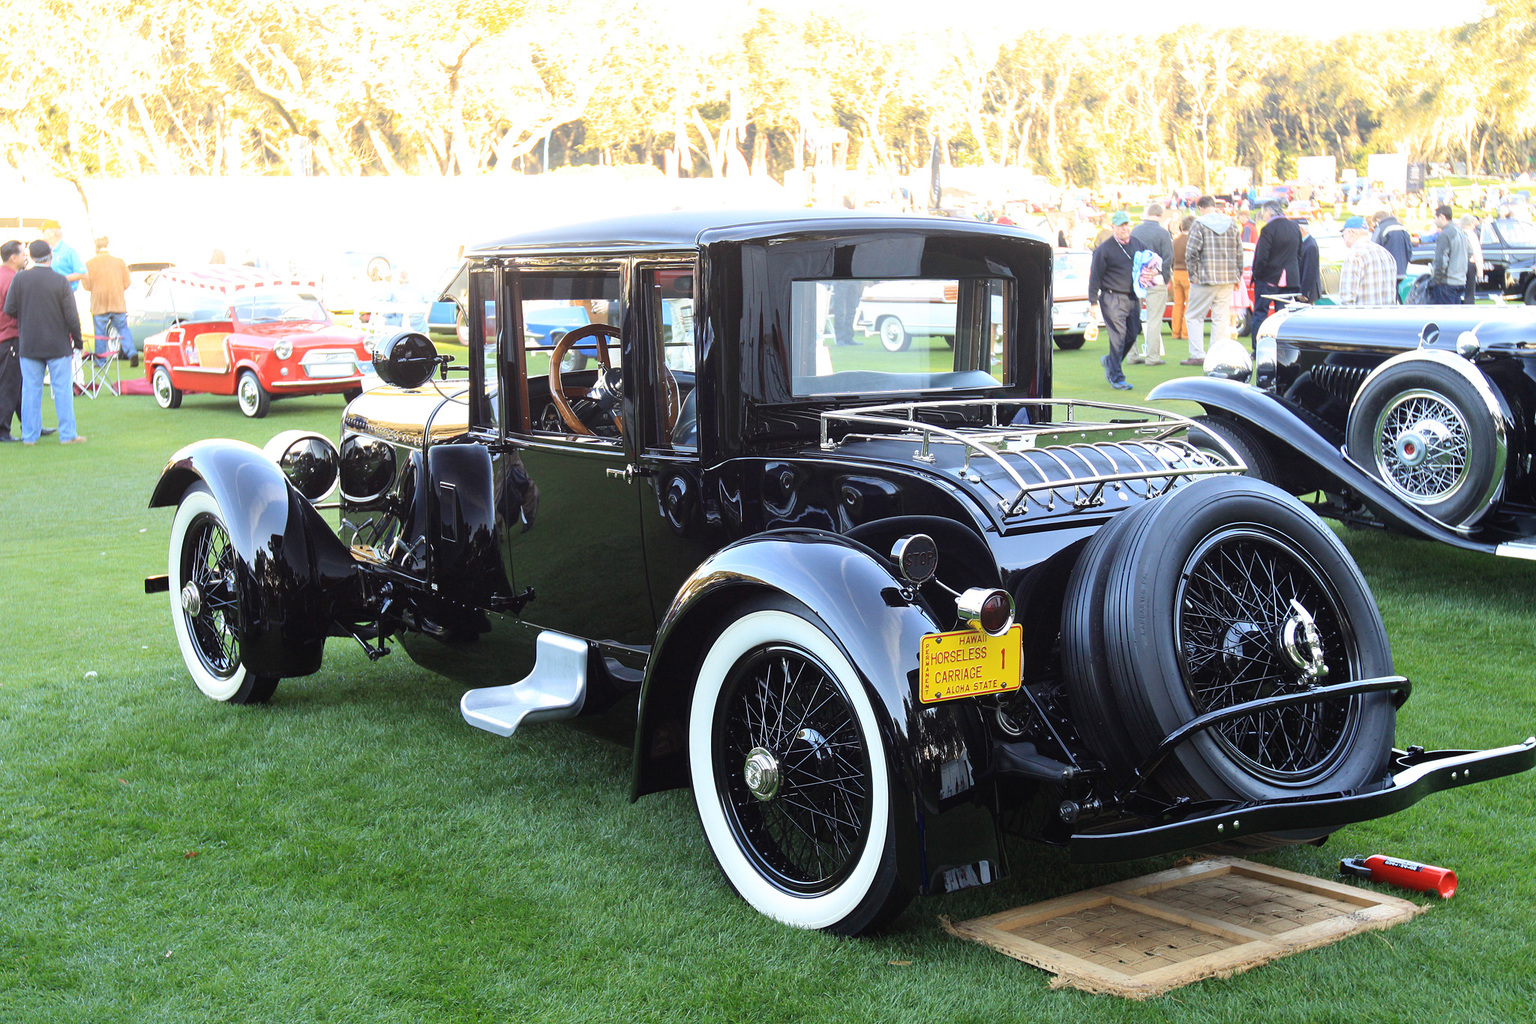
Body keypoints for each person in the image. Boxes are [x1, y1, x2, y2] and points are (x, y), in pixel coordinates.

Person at [3, 240, 85, 445]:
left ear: (30, 256)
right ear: (50, 255)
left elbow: (10, 308)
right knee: (62, 390)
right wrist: (78, 341)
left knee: (30, 391)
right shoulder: (60, 281)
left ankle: (30, 436)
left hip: (29, 344)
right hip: (57, 344)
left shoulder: (20, 279)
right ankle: (68, 434)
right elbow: (72, 316)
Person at [1086, 211, 1146, 391]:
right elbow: (1094, 277)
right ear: (1113, 227)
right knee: (1118, 337)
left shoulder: (1137, 244)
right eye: (1121, 226)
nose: (1125, 229)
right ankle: (1116, 377)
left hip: (1133, 297)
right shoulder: (1104, 249)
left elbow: (1151, 260)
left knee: (1133, 333)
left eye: (1127, 225)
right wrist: (1093, 302)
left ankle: (1111, 362)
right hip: (1112, 298)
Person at [1182, 195, 1244, 365]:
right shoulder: (1231, 223)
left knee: (1194, 316)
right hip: (1228, 277)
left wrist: (1193, 274)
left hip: (1205, 277)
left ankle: (1197, 354)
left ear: (1201, 208)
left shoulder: (1199, 223)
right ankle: (1215, 355)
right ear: (1214, 206)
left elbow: (1191, 252)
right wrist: (1238, 274)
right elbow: (1239, 251)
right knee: (1220, 318)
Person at [1127, 203, 1172, 366]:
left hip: (1136, 278)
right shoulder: (1163, 233)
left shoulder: (1135, 231)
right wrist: (1164, 277)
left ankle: (1131, 355)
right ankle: (1152, 357)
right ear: (1160, 215)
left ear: (1147, 213)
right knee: (1154, 319)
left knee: (1132, 317)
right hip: (1156, 279)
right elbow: (1168, 258)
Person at [83, 236, 138, 367]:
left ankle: (101, 360)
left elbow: (86, 285)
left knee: (100, 333)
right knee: (123, 329)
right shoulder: (119, 262)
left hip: (99, 303)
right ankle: (132, 352)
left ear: (96, 248)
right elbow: (127, 282)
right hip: (117, 302)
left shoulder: (90, 263)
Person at [1250, 201, 1301, 338]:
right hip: (1290, 279)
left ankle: (1257, 348)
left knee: (1260, 314)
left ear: (1267, 212)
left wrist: (1257, 275)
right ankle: (1284, 349)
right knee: (1284, 317)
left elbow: (1261, 257)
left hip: (1268, 279)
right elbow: (1298, 253)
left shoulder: (1268, 229)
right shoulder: (1294, 227)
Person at [1336, 216, 1398, 306]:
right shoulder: (1386, 254)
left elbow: (1347, 298)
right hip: (1387, 316)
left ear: (1350, 232)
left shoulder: (1354, 256)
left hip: (1363, 317)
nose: (1343, 238)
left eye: (1343, 235)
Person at [0, 239, 25, 441]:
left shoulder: (4, 275)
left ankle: (31, 422)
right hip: (10, 336)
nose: (26, 258)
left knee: (18, 384)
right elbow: (14, 307)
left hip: (6, 337)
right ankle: (2, 430)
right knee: (10, 384)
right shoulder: (11, 279)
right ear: (14, 257)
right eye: (23, 254)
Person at [1428, 204, 1468, 304]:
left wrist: (1435, 280)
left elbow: (1441, 260)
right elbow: (1469, 252)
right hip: (1460, 280)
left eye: (1435, 218)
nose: (1434, 221)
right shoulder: (1461, 232)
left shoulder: (1445, 234)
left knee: (1444, 318)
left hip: (1447, 282)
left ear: (1441, 217)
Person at [1169, 215, 1193, 348]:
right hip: (1188, 273)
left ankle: (1175, 331)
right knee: (1189, 304)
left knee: (1177, 304)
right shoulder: (1192, 241)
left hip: (1176, 273)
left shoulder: (1175, 241)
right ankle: (1186, 333)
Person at [40, 221, 85, 291]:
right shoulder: (47, 251)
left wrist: (60, 280)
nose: (42, 235)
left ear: (51, 233)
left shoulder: (68, 251)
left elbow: (83, 274)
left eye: (44, 231)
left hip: (64, 294)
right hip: (50, 295)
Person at [1369, 208, 1413, 280]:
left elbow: (1372, 249)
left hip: (1386, 273)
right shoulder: (1403, 228)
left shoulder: (1380, 228)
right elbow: (1409, 249)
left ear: (1377, 219)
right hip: (1402, 271)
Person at [1296, 220, 1322, 303]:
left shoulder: (1310, 245)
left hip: (1307, 293)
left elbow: (1309, 271)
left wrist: (1304, 293)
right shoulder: (1306, 243)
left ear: (1300, 229)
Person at [1460, 213, 1483, 304]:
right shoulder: (1472, 235)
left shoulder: (1458, 233)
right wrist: (1480, 270)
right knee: (1470, 291)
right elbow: (1477, 253)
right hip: (1470, 264)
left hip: (1459, 264)